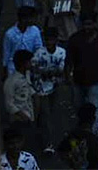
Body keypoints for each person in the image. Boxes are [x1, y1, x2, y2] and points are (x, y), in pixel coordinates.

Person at [66, 11, 98, 120]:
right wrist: (67, 76)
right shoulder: (75, 39)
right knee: (79, 107)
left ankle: (96, 132)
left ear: (95, 24)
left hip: (96, 80)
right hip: (78, 80)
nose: (87, 27)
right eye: (85, 24)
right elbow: (69, 60)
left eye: (89, 24)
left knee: (95, 109)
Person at [31, 26, 68, 155]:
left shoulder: (61, 52)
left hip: (55, 87)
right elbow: (34, 68)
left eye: (52, 39)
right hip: (41, 88)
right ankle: (48, 143)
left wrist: (48, 72)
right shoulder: (39, 53)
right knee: (46, 114)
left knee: (49, 112)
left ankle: (40, 130)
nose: (49, 42)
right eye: (47, 39)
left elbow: (62, 69)